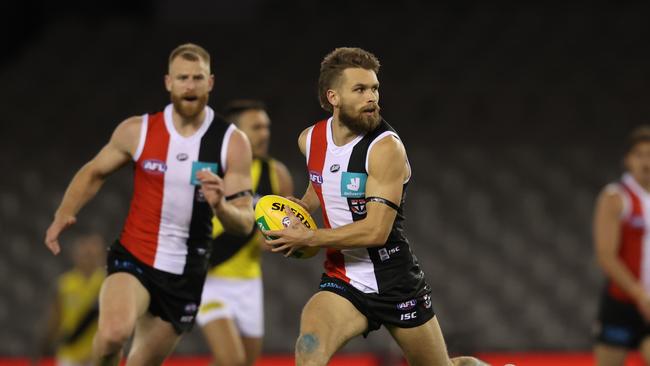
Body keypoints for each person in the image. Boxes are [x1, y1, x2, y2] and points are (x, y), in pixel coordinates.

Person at [263, 47, 485, 366]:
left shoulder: (385, 149)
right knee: (309, 347)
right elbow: (321, 180)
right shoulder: (310, 139)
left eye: (374, 88)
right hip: (343, 277)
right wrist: (302, 205)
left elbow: (376, 230)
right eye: (360, 89)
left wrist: (310, 238)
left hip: (393, 277)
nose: (372, 98)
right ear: (333, 97)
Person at [44, 43, 254, 366]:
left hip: (186, 274)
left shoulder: (231, 142)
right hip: (135, 258)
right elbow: (94, 172)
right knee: (113, 334)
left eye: (197, 78)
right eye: (182, 78)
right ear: (168, 82)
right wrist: (64, 213)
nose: (190, 86)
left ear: (210, 82)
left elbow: (245, 222)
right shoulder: (138, 131)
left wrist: (222, 208)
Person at [197, 100, 293, 366]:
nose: (265, 133)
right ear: (234, 133)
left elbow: (282, 228)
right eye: (257, 127)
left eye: (266, 127)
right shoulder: (208, 168)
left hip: (249, 282)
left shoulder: (276, 174)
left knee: (245, 363)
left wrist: (280, 239)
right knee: (231, 360)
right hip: (210, 278)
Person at [593, 126, 650, 365]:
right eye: (639, 154)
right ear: (628, 160)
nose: (646, 161)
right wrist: (640, 295)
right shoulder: (616, 197)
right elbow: (606, 255)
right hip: (622, 303)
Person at [34, 233, 106, 366]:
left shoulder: (106, 283)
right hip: (69, 354)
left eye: (92, 255)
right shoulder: (65, 284)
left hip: (96, 354)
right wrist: (41, 349)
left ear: (100, 256)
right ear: (75, 255)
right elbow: (54, 319)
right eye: (85, 254)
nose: (88, 259)